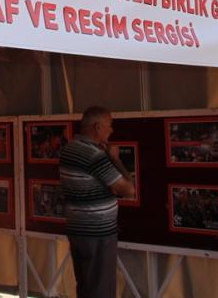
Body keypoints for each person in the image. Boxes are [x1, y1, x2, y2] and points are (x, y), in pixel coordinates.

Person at [59, 106, 135, 298]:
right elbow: (128, 190)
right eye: (109, 126)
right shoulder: (94, 155)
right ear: (97, 127)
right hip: (98, 234)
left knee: (86, 285)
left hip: (78, 229)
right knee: (100, 288)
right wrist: (115, 159)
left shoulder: (69, 149)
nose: (112, 130)